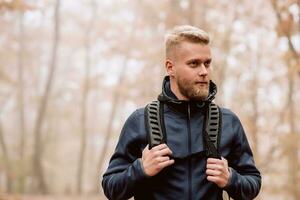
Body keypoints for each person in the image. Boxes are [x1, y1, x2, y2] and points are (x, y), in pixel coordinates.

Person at [101, 25, 261, 200]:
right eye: (194, 63)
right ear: (170, 68)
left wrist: (231, 178)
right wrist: (141, 169)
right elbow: (111, 188)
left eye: (207, 63)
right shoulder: (140, 121)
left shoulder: (228, 121)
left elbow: (252, 182)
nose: (204, 72)